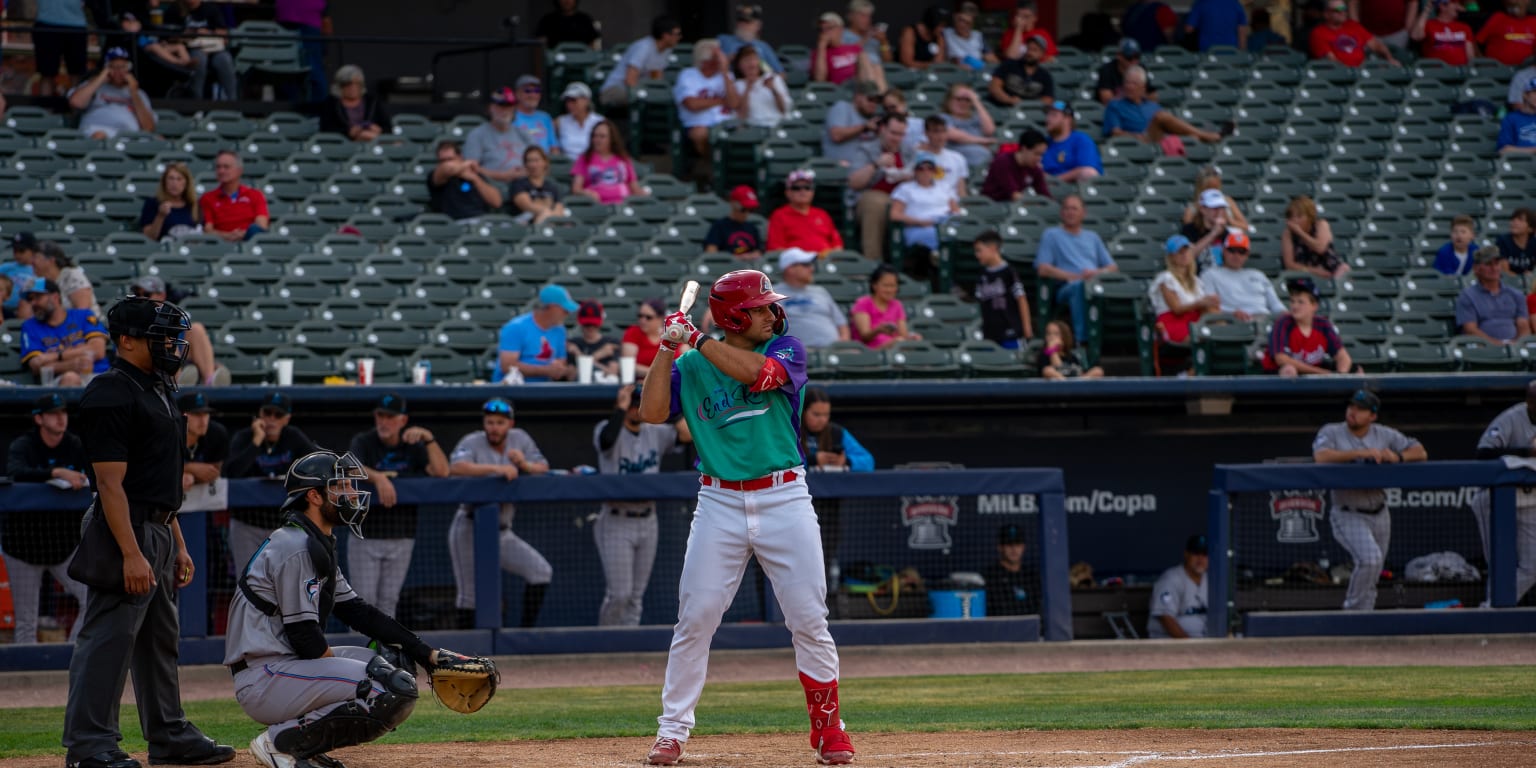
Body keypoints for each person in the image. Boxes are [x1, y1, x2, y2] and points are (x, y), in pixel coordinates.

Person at [638, 269, 856, 767]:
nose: (769, 312)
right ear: (735, 314)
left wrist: (695, 337)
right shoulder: (692, 364)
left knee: (808, 619)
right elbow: (651, 412)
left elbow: (762, 377)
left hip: (784, 496)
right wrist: (668, 348)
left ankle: (828, 729)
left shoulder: (788, 349)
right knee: (695, 619)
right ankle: (671, 731)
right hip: (718, 502)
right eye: (758, 307)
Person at [64, 295, 237, 768]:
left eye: (174, 337)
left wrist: (176, 544)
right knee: (109, 636)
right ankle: (89, 746)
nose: (173, 345)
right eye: (161, 336)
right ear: (127, 340)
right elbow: (110, 483)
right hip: (125, 528)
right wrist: (131, 553)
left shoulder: (159, 387)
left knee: (160, 638)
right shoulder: (110, 391)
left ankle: (168, 734)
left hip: (158, 526)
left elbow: (158, 479)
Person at [225, 450, 445, 768]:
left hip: (284, 669)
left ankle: (303, 744)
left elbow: (358, 611)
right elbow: (304, 635)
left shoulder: (313, 540)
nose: (353, 494)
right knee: (388, 687)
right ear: (314, 496)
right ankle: (279, 742)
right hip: (266, 677)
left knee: (392, 665)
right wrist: (348, 675)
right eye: (342, 486)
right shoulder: (294, 545)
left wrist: (427, 654)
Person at [1313, 390, 1428, 611]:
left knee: (1374, 571)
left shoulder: (1384, 434)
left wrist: (1398, 457)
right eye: (1351, 407)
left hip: (1380, 511)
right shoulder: (1332, 431)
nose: (1352, 412)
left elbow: (1420, 451)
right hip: (1348, 511)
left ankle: (1365, 618)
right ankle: (1352, 612)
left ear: (1372, 416)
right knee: (1370, 560)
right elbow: (1321, 456)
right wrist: (1361, 453)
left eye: (1360, 409)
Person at [447, 398, 553, 629]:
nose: (494, 427)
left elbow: (542, 467)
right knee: (469, 594)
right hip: (469, 526)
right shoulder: (472, 441)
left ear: (510, 424)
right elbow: (455, 467)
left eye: (500, 423)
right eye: (490, 422)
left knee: (540, 571)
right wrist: (497, 469)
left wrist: (524, 465)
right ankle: (463, 653)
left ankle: (526, 635)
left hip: (502, 531)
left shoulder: (520, 438)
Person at [594, 384, 691, 626]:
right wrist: (621, 406)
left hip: (648, 519)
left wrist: (669, 406)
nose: (637, 409)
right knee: (619, 594)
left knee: (636, 597)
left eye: (641, 403)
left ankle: (627, 650)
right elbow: (606, 441)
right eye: (634, 404)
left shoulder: (654, 431)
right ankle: (606, 644)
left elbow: (688, 434)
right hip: (617, 519)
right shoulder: (606, 430)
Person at [346, 393, 449, 618]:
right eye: (380, 416)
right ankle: (360, 653)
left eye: (390, 417)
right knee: (363, 601)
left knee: (388, 602)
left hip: (402, 534)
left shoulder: (413, 446)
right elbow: (351, 468)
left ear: (402, 421)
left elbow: (442, 472)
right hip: (366, 535)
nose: (384, 422)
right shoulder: (364, 441)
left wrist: (429, 438)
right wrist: (379, 478)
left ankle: (385, 652)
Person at [4, 393, 90, 645]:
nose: (60, 418)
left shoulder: (74, 444)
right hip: (22, 547)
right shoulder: (24, 444)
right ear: (39, 419)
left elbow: (96, 474)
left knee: (91, 599)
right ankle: (28, 676)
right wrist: (56, 472)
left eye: (63, 412)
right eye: (53, 413)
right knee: (26, 621)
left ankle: (72, 655)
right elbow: (16, 472)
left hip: (63, 547)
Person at [224, 392, 319, 575]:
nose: (272, 420)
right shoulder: (245, 437)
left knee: (283, 584)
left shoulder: (293, 437)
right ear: (260, 414)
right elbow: (232, 472)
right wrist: (257, 441)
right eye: (268, 413)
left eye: (278, 415)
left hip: (283, 527)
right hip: (247, 524)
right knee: (248, 582)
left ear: (286, 419)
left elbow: (316, 465)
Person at [1471, 380, 1536, 605]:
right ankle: (1493, 612)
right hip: (1494, 498)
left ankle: (1493, 607)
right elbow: (1483, 453)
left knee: (1533, 565)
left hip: (1530, 499)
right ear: (1529, 402)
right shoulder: (1511, 418)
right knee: (1500, 563)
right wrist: (1526, 451)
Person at [1035, 195, 1117, 344]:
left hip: (1094, 284)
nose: (1070, 212)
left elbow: (1112, 267)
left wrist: (1095, 273)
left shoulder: (1092, 237)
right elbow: (1043, 269)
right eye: (1066, 208)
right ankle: (1083, 341)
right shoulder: (1051, 235)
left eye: (1074, 208)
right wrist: (1072, 276)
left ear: (1083, 213)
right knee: (1079, 287)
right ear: (1061, 212)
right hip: (1066, 287)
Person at [129, 275, 226, 388]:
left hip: (177, 362)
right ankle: (178, 381)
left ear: (162, 296)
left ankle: (210, 380)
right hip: (147, 366)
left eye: (146, 294)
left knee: (196, 329)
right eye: (137, 295)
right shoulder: (129, 318)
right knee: (163, 333)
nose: (141, 299)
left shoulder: (173, 319)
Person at [849, 114, 916, 262]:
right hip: (874, 197)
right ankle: (873, 262)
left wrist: (911, 176)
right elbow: (853, 182)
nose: (897, 138)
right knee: (875, 202)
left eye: (901, 134)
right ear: (882, 129)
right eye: (893, 133)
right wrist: (876, 165)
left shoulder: (909, 151)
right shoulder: (866, 149)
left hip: (904, 200)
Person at [673, 39, 742, 183]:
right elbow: (691, 104)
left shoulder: (726, 76)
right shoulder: (688, 75)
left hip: (727, 123)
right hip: (699, 123)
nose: (721, 59)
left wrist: (724, 72)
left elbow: (735, 103)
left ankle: (717, 169)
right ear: (705, 61)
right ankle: (712, 165)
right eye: (717, 57)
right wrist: (721, 101)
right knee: (700, 134)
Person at [1103, 66, 1226, 145]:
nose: (1129, 86)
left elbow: (1169, 128)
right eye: (1127, 83)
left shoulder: (1152, 106)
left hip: (1160, 141)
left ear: (1143, 88)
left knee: (1192, 139)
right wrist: (1136, 136)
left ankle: (1202, 136)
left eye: (1134, 83)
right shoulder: (1115, 105)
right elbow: (1115, 133)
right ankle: (1207, 135)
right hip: (1138, 142)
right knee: (1161, 116)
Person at [21, 278, 108, 387]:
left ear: (55, 297)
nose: (33, 303)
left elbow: (97, 350)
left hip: (98, 376)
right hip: (58, 382)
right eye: (30, 299)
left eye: (38, 297)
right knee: (70, 377)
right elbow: (36, 365)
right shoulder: (30, 326)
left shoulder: (83, 315)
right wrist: (70, 364)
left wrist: (56, 356)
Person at [1262, 277, 1357, 376]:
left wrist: (1341, 376)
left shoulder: (1323, 325)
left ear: (1314, 306)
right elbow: (1281, 359)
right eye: (1292, 301)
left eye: (1300, 302)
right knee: (1289, 370)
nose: (1295, 306)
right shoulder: (1283, 323)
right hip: (1278, 374)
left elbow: (1343, 356)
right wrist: (1322, 374)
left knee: (1354, 369)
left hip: (1312, 369)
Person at [889, 152, 960, 267]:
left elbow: (956, 210)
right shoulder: (905, 189)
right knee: (939, 237)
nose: (925, 172)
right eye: (921, 168)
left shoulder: (944, 187)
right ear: (915, 171)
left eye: (930, 168)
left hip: (944, 224)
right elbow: (894, 214)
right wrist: (920, 222)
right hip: (919, 227)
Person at [68, 48, 156, 140]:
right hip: (98, 130)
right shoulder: (93, 86)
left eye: (123, 67)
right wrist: (100, 79)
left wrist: (134, 93)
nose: (119, 71)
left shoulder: (138, 93)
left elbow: (149, 128)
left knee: (158, 141)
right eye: (114, 67)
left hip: (130, 136)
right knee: (99, 136)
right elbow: (76, 103)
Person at [1200, 231, 1287, 321]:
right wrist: (1230, 314)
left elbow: (1276, 305)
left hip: (1265, 319)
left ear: (1247, 255)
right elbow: (1209, 305)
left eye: (1241, 252)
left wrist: (1287, 316)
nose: (1236, 255)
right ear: (1224, 251)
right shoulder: (1210, 274)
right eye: (1232, 250)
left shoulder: (1258, 274)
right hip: (1234, 322)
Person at [499, 284, 579, 382]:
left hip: (544, 390)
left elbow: (560, 360)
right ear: (552, 307)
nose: (567, 313)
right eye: (564, 310)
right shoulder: (516, 327)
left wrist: (563, 370)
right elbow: (507, 366)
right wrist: (545, 370)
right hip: (513, 389)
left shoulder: (560, 330)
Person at [1149, 235, 1220, 345]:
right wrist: (1200, 303)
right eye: (1179, 252)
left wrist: (1210, 302)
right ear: (1171, 257)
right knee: (1204, 334)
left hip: (1193, 319)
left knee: (1213, 312)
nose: (1184, 255)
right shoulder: (1166, 278)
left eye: (1186, 251)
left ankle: (1227, 336)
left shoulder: (1196, 281)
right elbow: (1176, 309)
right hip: (1173, 321)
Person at [600, 16, 683, 107]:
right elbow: (630, 80)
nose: (679, 37)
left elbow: (657, 77)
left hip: (640, 90)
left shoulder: (667, 50)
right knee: (642, 98)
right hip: (614, 90)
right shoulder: (643, 47)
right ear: (665, 35)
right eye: (677, 34)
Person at [777, 248, 850, 348]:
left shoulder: (820, 291)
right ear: (790, 268)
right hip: (797, 354)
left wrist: (843, 344)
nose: (812, 269)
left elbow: (841, 324)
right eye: (806, 265)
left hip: (834, 350)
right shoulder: (773, 294)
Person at [164, 0, 238, 99]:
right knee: (199, 59)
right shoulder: (176, 9)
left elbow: (224, 35)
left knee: (225, 59)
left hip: (213, 48)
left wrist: (209, 33)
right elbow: (168, 37)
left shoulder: (211, 8)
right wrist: (187, 35)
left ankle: (232, 103)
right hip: (190, 49)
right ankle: (197, 104)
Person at [1458, 247, 1532, 343]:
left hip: (1514, 346)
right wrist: (1497, 346)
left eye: (1496, 264)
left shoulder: (1516, 294)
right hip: (1483, 347)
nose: (1494, 268)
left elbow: (1523, 326)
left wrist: (1516, 346)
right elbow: (1470, 330)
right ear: (1476, 269)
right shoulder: (1467, 296)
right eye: (1488, 264)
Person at [973, 230, 1034, 348]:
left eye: (979, 250)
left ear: (993, 248)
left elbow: (1021, 299)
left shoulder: (1009, 272)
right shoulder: (982, 276)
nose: (977, 255)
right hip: (989, 333)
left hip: (1011, 330)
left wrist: (1027, 328)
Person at [463, 87, 532, 184]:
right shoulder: (477, 134)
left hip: (524, 185)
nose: (505, 110)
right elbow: (470, 168)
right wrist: (502, 176)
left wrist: (526, 172)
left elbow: (541, 162)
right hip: (491, 186)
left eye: (509, 106)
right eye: (501, 105)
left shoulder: (523, 133)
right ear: (490, 108)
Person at [767, 170, 845, 254]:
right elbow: (776, 249)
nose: (802, 191)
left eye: (807, 187)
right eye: (796, 188)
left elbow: (837, 245)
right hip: (796, 264)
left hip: (825, 262)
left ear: (812, 192)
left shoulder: (822, 214)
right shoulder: (779, 215)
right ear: (788, 193)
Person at [1146, 535, 1209, 638]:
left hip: (1202, 643)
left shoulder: (1211, 580)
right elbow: (1166, 617)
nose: (1200, 559)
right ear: (1186, 554)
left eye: (1204, 554)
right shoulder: (1171, 579)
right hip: (1169, 644)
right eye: (1196, 553)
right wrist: (1188, 645)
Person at [199, 151, 270, 242]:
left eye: (226, 167)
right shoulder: (207, 198)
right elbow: (208, 230)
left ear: (239, 171)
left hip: (250, 243)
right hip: (221, 244)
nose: (221, 171)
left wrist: (242, 234)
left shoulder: (255, 195)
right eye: (218, 167)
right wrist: (228, 236)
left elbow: (261, 225)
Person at [427, 140, 503, 221]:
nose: (446, 163)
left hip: (480, 220)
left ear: (460, 157)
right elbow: (447, 168)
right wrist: (467, 164)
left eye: (450, 159)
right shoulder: (437, 175)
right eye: (442, 161)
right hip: (452, 222)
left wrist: (475, 179)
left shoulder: (474, 175)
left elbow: (497, 202)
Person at [572, 119, 644, 204]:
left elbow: (634, 187)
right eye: (595, 136)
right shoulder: (584, 158)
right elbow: (576, 188)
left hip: (623, 205)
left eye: (602, 136)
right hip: (596, 206)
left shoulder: (623, 159)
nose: (597, 139)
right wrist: (587, 193)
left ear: (612, 139)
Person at [850, 264, 921, 349]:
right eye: (885, 286)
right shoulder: (863, 303)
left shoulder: (897, 305)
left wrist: (912, 337)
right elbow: (864, 336)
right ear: (874, 285)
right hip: (870, 351)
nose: (889, 290)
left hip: (895, 348)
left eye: (893, 286)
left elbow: (903, 335)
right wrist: (878, 330)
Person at [1311, 0, 1402, 66]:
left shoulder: (1353, 25)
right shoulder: (1319, 32)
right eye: (1337, 10)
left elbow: (1375, 45)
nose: (1342, 12)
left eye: (1344, 9)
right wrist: (1351, 71)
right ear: (1326, 14)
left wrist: (1389, 58)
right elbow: (1331, 60)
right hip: (1339, 74)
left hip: (1363, 69)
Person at [317, 64, 391, 142]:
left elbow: (388, 127)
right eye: (348, 84)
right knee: (366, 136)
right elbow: (326, 129)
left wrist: (378, 129)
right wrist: (348, 132)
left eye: (357, 83)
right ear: (339, 86)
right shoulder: (331, 103)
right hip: (344, 143)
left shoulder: (372, 101)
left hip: (373, 139)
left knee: (396, 142)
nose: (353, 87)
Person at [276, 0, 332, 101]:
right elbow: (327, 25)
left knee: (311, 69)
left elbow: (326, 24)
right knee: (286, 69)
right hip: (289, 22)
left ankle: (317, 110)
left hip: (308, 24)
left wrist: (325, 47)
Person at [32, 0, 90, 97]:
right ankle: (46, 109)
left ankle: (76, 109)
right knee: (47, 73)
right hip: (46, 23)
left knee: (76, 73)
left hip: (76, 26)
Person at [1281, 195, 1347, 278]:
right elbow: (1289, 264)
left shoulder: (1321, 225)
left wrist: (1300, 233)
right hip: (1305, 274)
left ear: (1309, 217)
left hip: (1331, 269)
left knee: (1344, 270)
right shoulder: (1288, 234)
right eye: (1291, 216)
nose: (1295, 220)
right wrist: (1314, 271)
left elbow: (1320, 248)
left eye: (1299, 216)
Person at [821, 80, 883, 167]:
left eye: (877, 100)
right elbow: (836, 135)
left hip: (863, 170)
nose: (874, 104)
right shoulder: (843, 107)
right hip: (838, 168)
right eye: (870, 99)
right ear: (858, 97)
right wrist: (864, 127)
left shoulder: (874, 119)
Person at [814, 11, 884, 88]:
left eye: (829, 28)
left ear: (840, 29)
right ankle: (875, 94)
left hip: (861, 83)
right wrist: (822, 46)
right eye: (821, 29)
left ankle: (878, 95)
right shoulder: (819, 53)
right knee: (863, 57)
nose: (824, 32)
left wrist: (875, 36)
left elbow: (861, 43)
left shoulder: (851, 48)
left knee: (873, 64)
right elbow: (820, 80)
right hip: (842, 87)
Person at [33, 241, 102, 317]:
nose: (32, 262)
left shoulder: (72, 276)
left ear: (51, 260)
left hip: (88, 326)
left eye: (36, 257)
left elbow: (82, 312)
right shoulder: (40, 281)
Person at [979, 524, 1035, 617]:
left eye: (1017, 544)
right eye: (1009, 544)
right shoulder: (989, 577)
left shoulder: (1031, 577)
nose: (1014, 549)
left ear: (1023, 547)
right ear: (1000, 547)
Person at [179, 391, 228, 496]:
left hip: (202, 501)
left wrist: (192, 476)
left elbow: (214, 472)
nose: (203, 421)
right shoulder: (168, 433)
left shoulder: (216, 433)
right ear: (181, 416)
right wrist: (189, 468)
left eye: (206, 414)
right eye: (196, 414)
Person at [982, 129, 1051, 202]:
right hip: (993, 205)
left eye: (1041, 155)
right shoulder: (1003, 162)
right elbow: (1014, 194)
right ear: (1024, 149)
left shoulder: (1034, 168)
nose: (1039, 158)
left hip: (1013, 207)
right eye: (1036, 154)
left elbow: (1044, 194)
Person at [732, 45, 792, 128]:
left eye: (754, 59)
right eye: (746, 60)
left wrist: (773, 90)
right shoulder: (737, 85)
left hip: (778, 125)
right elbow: (741, 117)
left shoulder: (774, 78)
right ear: (739, 65)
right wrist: (747, 89)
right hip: (753, 128)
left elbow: (784, 109)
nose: (752, 64)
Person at [939, 82, 997, 169]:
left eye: (967, 100)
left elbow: (990, 130)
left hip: (983, 162)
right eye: (959, 99)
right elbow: (954, 135)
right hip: (958, 161)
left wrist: (976, 102)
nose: (963, 103)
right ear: (949, 101)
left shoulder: (976, 118)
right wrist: (982, 141)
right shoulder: (942, 118)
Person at [1042, 102, 1103, 182]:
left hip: (1077, 188)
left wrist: (1057, 180)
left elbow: (1088, 170)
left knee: (1088, 172)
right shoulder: (1044, 143)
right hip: (1047, 188)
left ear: (1068, 119)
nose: (1048, 119)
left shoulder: (1081, 140)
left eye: (1054, 115)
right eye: (1048, 115)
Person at [989, 34, 1055, 107]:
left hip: (1030, 112)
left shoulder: (1045, 75)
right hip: (1004, 108)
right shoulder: (1009, 65)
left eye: (1035, 50)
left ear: (1042, 54)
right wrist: (1008, 99)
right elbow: (994, 87)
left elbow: (1048, 99)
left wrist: (1030, 105)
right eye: (1028, 48)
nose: (1029, 53)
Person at [508, 146, 568, 226]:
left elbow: (559, 209)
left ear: (545, 162)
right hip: (524, 224)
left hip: (548, 221)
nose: (533, 165)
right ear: (525, 164)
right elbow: (527, 206)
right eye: (529, 161)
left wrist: (550, 214)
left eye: (536, 160)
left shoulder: (552, 187)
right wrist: (548, 212)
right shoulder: (519, 184)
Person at [140, 163, 200, 242]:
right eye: (171, 178)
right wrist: (160, 216)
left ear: (186, 183)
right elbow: (149, 238)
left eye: (179, 179)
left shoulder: (194, 206)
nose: (174, 183)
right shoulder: (153, 203)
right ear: (164, 182)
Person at [719, 4, 787, 73]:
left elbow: (781, 73)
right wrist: (729, 59)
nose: (743, 25)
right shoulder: (723, 40)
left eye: (748, 22)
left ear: (758, 25)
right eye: (741, 21)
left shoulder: (763, 46)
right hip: (730, 81)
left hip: (757, 82)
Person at [705, 185, 765, 259]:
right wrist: (736, 259)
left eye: (751, 210)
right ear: (734, 204)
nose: (747, 213)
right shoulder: (719, 226)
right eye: (744, 209)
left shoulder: (752, 228)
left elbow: (758, 252)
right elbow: (711, 253)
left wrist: (751, 256)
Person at [915, 114, 969, 196]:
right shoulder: (917, 157)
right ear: (926, 133)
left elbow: (961, 190)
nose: (941, 136)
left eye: (943, 131)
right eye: (936, 132)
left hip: (953, 204)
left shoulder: (958, 158)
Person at [569, 299, 622, 380]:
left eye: (594, 324)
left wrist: (580, 356)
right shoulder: (573, 344)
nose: (590, 327)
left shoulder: (612, 343)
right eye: (587, 324)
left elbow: (612, 374)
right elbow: (571, 376)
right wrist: (597, 356)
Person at [1411, 0, 1476, 66]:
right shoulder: (1429, 25)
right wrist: (1427, 9)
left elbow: (1470, 56)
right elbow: (1415, 36)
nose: (1458, 7)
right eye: (1454, 3)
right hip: (1437, 72)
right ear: (1443, 6)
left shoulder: (1464, 27)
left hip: (1462, 72)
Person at [1478, 0, 1536, 67]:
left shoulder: (1534, 21)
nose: (1513, 3)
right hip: (1498, 70)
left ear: (1527, 1)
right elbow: (1477, 42)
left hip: (1527, 70)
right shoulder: (1498, 18)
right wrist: (1483, 61)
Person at [510, 74, 559, 154]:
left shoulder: (545, 117)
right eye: (527, 91)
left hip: (544, 163)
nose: (532, 95)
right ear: (517, 94)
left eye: (537, 91)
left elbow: (554, 148)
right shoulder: (509, 117)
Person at [1038, 320, 1104, 378]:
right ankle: (1066, 384)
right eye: (1048, 334)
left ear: (1064, 336)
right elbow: (1059, 368)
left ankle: (1076, 385)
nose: (1051, 337)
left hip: (1075, 381)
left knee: (1098, 370)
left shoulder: (1071, 355)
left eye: (1056, 334)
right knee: (1048, 370)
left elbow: (1079, 372)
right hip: (1058, 382)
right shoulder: (1045, 354)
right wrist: (1052, 350)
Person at [623, 298, 668, 379]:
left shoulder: (671, 334)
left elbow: (687, 359)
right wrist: (659, 374)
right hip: (642, 385)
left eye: (648, 317)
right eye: (640, 316)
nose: (642, 320)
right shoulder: (633, 332)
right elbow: (628, 366)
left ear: (660, 318)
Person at [556, 81, 603, 157]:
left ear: (586, 100)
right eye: (567, 101)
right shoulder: (560, 122)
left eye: (574, 100)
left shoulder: (600, 122)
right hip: (568, 166)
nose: (570, 105)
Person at [943, 3, 994, 70]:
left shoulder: (978, 36)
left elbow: (991, 58)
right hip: (955, 73)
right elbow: (941, 60)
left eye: (968, 23)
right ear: (955, 17)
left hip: (977, 73)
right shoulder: (945, 33)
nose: (963, 25)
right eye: (961, 20)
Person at [1184, 0, 1250, 51]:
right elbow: (1242, 32)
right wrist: (1242, 53)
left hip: (1208, 51)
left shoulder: (1201, 3)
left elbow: (1189, 29)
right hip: (1231, 51)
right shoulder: (1236, 4)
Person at [2, 232, 40, 322]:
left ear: (33, 250)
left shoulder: (38, 269)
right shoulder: (6, 268)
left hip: (29, 310)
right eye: (15, 251)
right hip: (4, 308)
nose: (17, 254)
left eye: (22, 251)